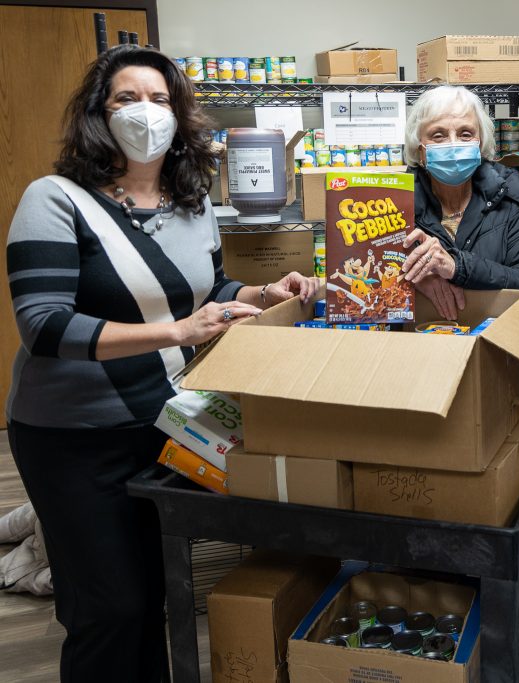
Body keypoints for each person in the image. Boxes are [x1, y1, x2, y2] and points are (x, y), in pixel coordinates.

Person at [5, 45, 319, 682]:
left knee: (152, 592)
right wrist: (177, 331)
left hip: (160, 421)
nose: (145, 113)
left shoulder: (190, 202)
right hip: (72, 435)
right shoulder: (56, 198)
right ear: (99, 113)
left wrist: (261, 294)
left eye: (160, 99)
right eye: (126, 98)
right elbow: (45, 326)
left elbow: (206, 293)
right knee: (106, 608)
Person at [400, 85, 519, 319]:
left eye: (465, 134)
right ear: (419, 149)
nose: (453, 144)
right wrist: (411, 280)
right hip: (422, 347)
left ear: (480, 142)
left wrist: (459, 267)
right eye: (438, 135)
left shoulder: (511, 197)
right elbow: (363, 284)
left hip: (497, 344)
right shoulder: (391, 204)